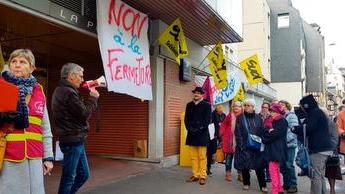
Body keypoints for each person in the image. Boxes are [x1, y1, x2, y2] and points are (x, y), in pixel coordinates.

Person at [0, 49, 54, 194]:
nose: (17, 65)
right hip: (8, 155)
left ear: (32, 68)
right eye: (13, 61)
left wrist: (48, 157)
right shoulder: (1, 86)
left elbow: (45, 127)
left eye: (22, 62)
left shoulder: (39, 90)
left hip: (35, 156)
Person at [52, 63, 99, 194]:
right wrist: (93, 98)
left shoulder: (63, 90)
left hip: (75, 140)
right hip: (72, 140)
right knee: (69, 177)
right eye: (80, 76)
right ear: (71, 76)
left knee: (83, 175)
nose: (82, 79)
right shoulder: (68, 92)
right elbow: (84, 114)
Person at [292, 94, 333, 194]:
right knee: (320, 176)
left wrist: (295, 128)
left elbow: (309, 128)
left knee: (315, 176)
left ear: (306, 105)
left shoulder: (314, 113)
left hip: (319, 149)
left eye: (301, 106)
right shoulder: (318, 112)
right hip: (325, 149)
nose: (301, 108)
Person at [234, 99, 268, 193]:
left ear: (253, 107)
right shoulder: (240, 117)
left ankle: (263, 185)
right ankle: (246, 183)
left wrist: (262, 142)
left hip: (256, 145)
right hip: (245, 145)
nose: (246, 107)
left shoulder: (258, 117)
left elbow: (262, 130)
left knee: (259, 166)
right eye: (245, 105)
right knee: (245, 166)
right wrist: (241, 145)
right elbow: (237, 132)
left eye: (248, 105)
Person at [184, 86, 211, 185]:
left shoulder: (207, 105)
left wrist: (199, 129)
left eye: (198, 93)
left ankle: (202, 175)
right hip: (191, 134)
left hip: (202, 134)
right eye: (195, 93)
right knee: (193, 156)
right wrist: (190, 129)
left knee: (202, 156)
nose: (196, 94)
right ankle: (195, 175)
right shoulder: (189, 105)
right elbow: (186, 119)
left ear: (202, 94)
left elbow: (207, 120)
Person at [262, 103, 288, 194]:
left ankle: (275, 190)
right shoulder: (269, 120)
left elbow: (275, 134)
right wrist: (269, 132)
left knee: (273, 170)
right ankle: (279, 189)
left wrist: (269, 132)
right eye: (271, 111)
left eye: (273, 111)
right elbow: (264, 133)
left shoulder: (283, 121)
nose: (271, 113)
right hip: (271, 148)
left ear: (278, 112)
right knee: (274, 169)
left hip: (278, 148)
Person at [321, 107, 342, 194]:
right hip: (319, 151)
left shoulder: (332, 124)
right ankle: (323, 189)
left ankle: (332, 189)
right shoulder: (316, 123)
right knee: (320, 172)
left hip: (330, 151)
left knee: (331, 171)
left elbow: (335, 139)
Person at [279, 100, 299, 193]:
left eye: (282, 105)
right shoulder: (280, 116)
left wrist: (284, 140)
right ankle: (286, 184)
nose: (280, 106)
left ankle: (293, 185)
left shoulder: (292, 116)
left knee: (289, 165)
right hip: (281, 146)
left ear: (287, 106)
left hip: (289, 145)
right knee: (282, 166)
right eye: (279, 105)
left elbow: (294, 130)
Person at [219, 101, 242, 181]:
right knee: (229, 158)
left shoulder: (243, 116)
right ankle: (228, 173)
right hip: (229, 140)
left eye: (238, 106)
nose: (236, 108)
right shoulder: (230, 115)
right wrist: (222, 134)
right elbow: (224, 124)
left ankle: (240, 174)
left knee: (239, 159)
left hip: (239, 141)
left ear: (241, 108)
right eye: (235, 106)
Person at [207, 104, 226, 175]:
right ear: (216, 110)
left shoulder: (224, 115)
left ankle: (214, 160)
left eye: (221, 112)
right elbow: (210, 125)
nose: (220, 113)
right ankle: (208, 168)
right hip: (212, 136)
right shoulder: (212, 115)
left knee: (214, 151)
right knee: (209, 152)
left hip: (220, 135)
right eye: (219, 112)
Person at [259, 101, 271, 183]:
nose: (264, 109)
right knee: (260, 158)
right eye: (263, 107)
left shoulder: (271, 117)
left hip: (267, 140)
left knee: (268, 159)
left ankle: (269, 175)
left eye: (266, 107)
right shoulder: (258, 116)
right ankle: (262, 175)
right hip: (259, 140)